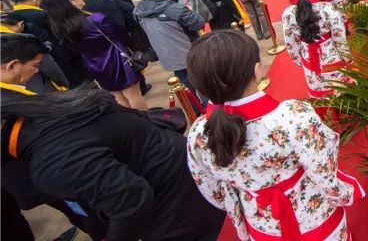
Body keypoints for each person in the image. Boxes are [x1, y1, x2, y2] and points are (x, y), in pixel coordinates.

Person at [186, 30, 364, 240]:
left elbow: (213, 191)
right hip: (313, 217)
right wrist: (345, 192)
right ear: (257, 69)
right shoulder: (293, 117)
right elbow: (323, 169)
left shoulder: (198, 134)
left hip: (261, 223)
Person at [2, 86, 226, 240]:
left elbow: (132, 202)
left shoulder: (51, 164)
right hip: (184, 167)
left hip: (175, 203)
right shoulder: (41, 111)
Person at [0, 35, 91, 241]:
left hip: (40, 178)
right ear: (12, 65)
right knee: (86, 213)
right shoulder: (12, 108)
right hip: (46, 178)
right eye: (35, 65)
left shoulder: (13, 97)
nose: (36, 71)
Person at [43, 0, 148, 110]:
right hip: (117, 58)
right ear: (69, 2)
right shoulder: (95, 19)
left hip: (94, 63)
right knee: (133, 95)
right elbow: (121, 35)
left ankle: (135, 125)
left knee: (117, 97)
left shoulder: (60, 28)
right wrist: (134, 49)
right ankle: (146, 121)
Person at [135, 0, 206, 102]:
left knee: (184, 84)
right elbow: (198, 23)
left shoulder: (139, 8)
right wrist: (189, 10)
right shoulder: (174, 8)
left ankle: (196, 111)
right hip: (189, 52)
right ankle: (210, 110)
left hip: (167, 55)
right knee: (203, 84)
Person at [282, 0, 347, 98]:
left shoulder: (288, 14)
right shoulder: (328, 8)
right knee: (339, 95)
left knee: (318, 97)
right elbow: (340, 38)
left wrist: (299, 61)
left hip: (309, 59)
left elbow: (291, 44)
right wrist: (347, 58)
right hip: (332, 58)